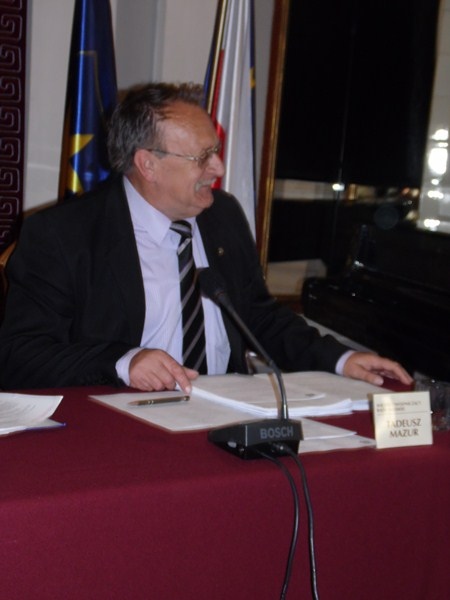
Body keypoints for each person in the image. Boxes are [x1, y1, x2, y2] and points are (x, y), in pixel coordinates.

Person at [0, 82, 413, 392]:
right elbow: (20, 354)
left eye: (215, 151)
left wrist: (341, 358)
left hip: (224, 413)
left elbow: (258, 316)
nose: (218, 168)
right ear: (148, 164)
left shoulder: (223, 216)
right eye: (202, 157)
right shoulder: (64, 235)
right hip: (117, 424)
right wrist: (123, 362)